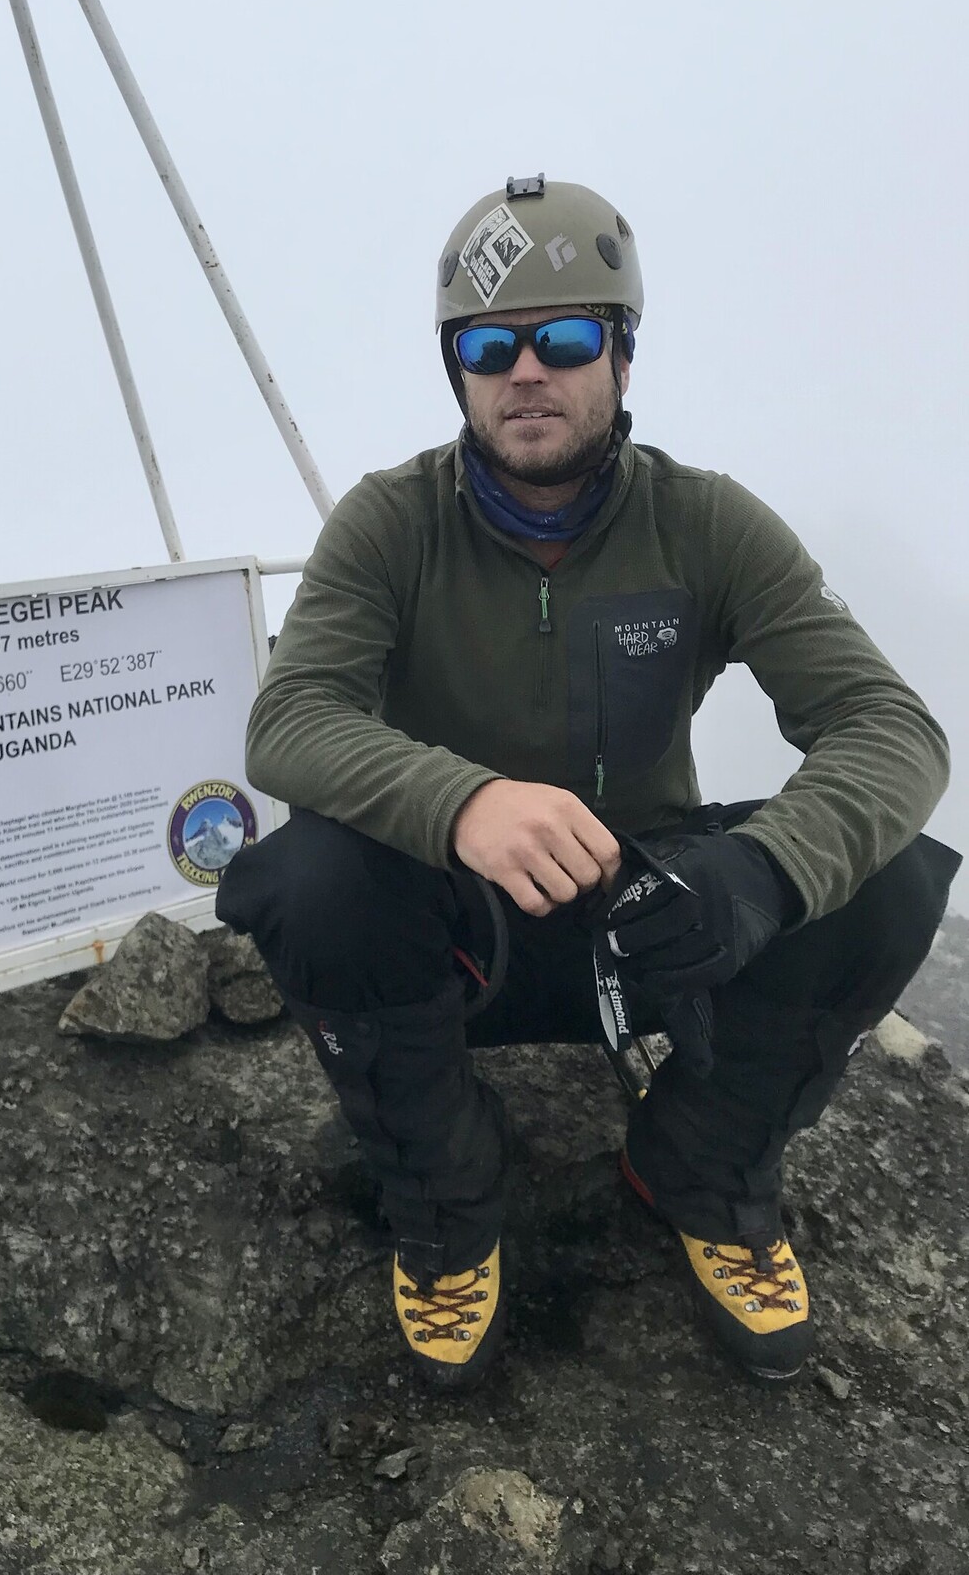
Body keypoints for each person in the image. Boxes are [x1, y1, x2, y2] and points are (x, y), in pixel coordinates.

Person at [216, 176, 958, 1388]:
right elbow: (290, 719)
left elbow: (891, 724)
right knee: (308, 877)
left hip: (654, 927)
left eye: (564, 339)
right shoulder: (389, 523)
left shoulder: (708, 524)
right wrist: (461, 802)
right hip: (460, 937)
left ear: (620, 352)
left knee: (887, 875)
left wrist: (762, 872)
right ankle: (451, 1202)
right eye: (486, 345)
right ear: (453, 368)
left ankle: (698, 1167)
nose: (526, 371)